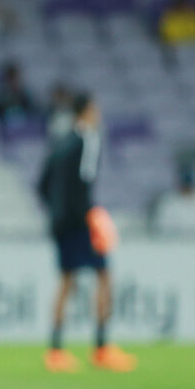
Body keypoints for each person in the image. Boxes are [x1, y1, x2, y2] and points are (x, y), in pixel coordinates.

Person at [36, 93, 136, 373]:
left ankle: (55, 351)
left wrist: (57, 211)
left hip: (59, 222)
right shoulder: (88, 140)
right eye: (96, 110)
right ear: (87, 112)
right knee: (104, 276)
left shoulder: (59, 142)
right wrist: (89, 216)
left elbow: (42, 184)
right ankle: (102, 347)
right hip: (80, 221)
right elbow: (84, 182)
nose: (98, 116)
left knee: (66, 280)